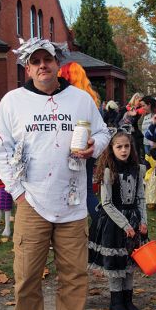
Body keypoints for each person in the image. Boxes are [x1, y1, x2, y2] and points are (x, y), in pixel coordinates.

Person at [0, 37, 110, 310]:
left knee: (74, 273)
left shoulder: (80, 100)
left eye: (48, 59)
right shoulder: (12, 102)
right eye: (36, 61)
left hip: (72, 200)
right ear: (27, 67)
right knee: (27, 274)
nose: (43, 65)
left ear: (58, 64)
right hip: (31, 200)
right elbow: (0, 148)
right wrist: (17, 192)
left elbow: (102, 132)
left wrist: (94, 146)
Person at [88, 126, 148, 310]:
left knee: (131, 261)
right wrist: (125, 225)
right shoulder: (108, 171)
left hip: (134, 220)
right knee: (116, 263)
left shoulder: (138, 170)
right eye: (119, 147)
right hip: (114, 223)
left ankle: (128, 300)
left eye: (127, 146)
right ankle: (116, 301)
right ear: (111, 149)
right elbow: (106, 203)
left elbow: (140, 198)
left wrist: (143, 221)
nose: (123, 150)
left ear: (131, 148)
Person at [58, 61, 100, 221]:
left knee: (77, 187)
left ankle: (98, 223)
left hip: (74, 149)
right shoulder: (91, 98)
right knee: (85, 188)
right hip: (86, 149)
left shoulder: (73, 100)